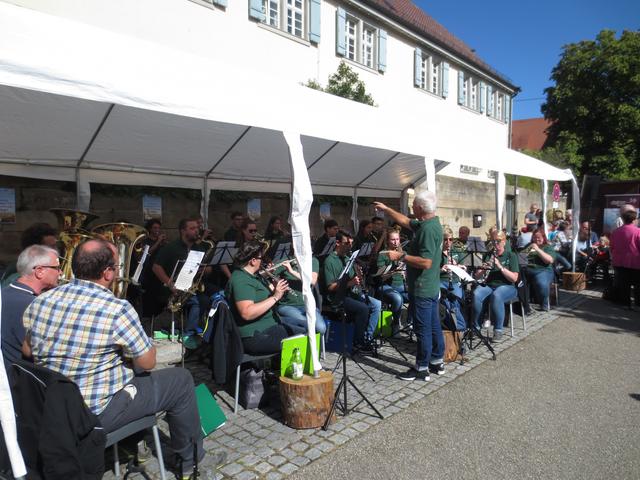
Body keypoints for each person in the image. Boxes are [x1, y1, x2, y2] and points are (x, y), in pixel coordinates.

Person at [22, 239, 214, 479]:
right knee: (181, 380)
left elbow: (27, 351)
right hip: (95, 412)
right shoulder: (117, 309)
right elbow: (147, 363)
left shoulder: (41, 300)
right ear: (107, 272)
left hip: (52, 407)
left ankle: (134, 445)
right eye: (116, 266)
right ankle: (192, 463)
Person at [374, 192, 445, 381]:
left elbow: (426, 262)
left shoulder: (428, 230)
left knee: (423, 329)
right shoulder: (431, 223)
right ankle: (437, 361)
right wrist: (386, 209)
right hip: (430, 286)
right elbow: (405, 221)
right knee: (433, 325)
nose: (412, 208)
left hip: (423, 287)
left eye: (414, 205)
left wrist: (401, 256)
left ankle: (421, 368)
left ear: (420, 208)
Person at [226, 240, 292, 355]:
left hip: (268, 325)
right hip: (254, 335)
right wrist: (275, 297)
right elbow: (247, 313)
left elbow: (260, 296)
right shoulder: (241, 280)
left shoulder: (254, 276)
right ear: (253, 261)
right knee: (303, 337)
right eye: (262, 258)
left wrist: (276, 289)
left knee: (305, 328)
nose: (264, 261)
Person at [152, 217, 209, 349]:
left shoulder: (199, 248)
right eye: (192, 228)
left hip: (190, 286)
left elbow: (208, 270)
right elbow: (156, 267)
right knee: (196, 302)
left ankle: (197, 328)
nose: (197, 231)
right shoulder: (171, 247)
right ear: (183, 231)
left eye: (197, 228)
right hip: (172, 288)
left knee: (208, 299)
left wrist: (204, 269)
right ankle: (188, 334)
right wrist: (170, 283)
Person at [1, 245, 60, 368]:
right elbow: (42, 353)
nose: (61, 272)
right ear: (39, 271)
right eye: (57, 268)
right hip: (18, 375)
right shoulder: (35, 305)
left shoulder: (4, 293)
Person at [322, 230, 381, 350]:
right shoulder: (330, 261)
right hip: (337, 297)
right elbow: (331, 287)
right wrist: (351, 283)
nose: (350, 246)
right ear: (338, 243)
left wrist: (358, 275)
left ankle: (367, 335)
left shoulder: (347, 258)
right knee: (363, 308)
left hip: (350, 293)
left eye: (351, 243)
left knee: (376, 304)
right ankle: (358, 341)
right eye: (347, 243)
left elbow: (354, 279)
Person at [471, 231, 519, 342]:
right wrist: (484, 268)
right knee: (476, 293)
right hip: (490, 285)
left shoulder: (511, 255)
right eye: (493, 241)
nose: (495, 244)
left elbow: (514, 278)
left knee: (497, 295)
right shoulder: (488, 255)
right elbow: (477, 276)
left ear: (504, 242)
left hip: (508, 286)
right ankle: (476, 327)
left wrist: (500, 266)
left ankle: (498, 330)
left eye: (498, 241)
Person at [274, 257, 327, 335]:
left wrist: (291, 271)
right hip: (287, 305)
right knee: (306, 325)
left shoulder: (312, 260)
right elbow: (271, 280)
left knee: (321, 328)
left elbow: (312, 280)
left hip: (307, 304)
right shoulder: (284, 262)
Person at [1, 222, 58, 287]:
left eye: (55, 246)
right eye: (51, 247)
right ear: (34, 251)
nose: (56, 251)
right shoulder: (17, 275)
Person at [609, 205, 640, 308]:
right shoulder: (638, 231)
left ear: (622, 219)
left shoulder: (615, 232)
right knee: (638, 285)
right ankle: (637, 305)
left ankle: (625, 304)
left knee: (623, 285)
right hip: (635, 262)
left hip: (619, 262)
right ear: (634, 219)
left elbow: (612, 247)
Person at [376, 228, 408, 324]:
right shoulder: (382, 254)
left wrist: (405, 272)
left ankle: (409, 322)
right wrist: (394, 271)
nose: (395, 242)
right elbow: (381, 277)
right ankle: (395, 324)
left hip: (402, 285)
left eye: (397, 239)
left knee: (417, 296)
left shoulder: (403, 254)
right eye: (393, 239)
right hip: (386, 285)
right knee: (398, 299)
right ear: (387, 241)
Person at [140, 218, 168, 318]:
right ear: (150, 229)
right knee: (149, 299)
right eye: (155, 228)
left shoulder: (162, 242)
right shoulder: (145, 241)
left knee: (160, 299)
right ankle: (148, 319)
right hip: (149, 274)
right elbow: (147, 253)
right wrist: (158, 241)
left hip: (159, 274)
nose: (157, 230)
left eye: (159, 228)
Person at [440, 228, 466, 331]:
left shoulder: (456, 251)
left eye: (450, 239)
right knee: (443, 299)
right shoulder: (437, 252)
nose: (448, 242)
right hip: (441, 280)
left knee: (456, 299)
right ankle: (447, 322)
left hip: (454, 280)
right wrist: (441, 269)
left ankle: (459, 325)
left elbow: (464, 268)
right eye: (445, 239)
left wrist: (457, 265)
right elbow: (431, 271)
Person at [524, 228, 556, 311]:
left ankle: (544, 304)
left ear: (543, 238)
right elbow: (521, 256)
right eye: (534, 237)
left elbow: (549, 260)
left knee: (541, 283)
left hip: (543, 270)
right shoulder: (529, 246)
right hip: (527, 270)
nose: (536, 239)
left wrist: (537, 249)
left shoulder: (547, 247)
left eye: (539, 237)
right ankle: (523, 304)